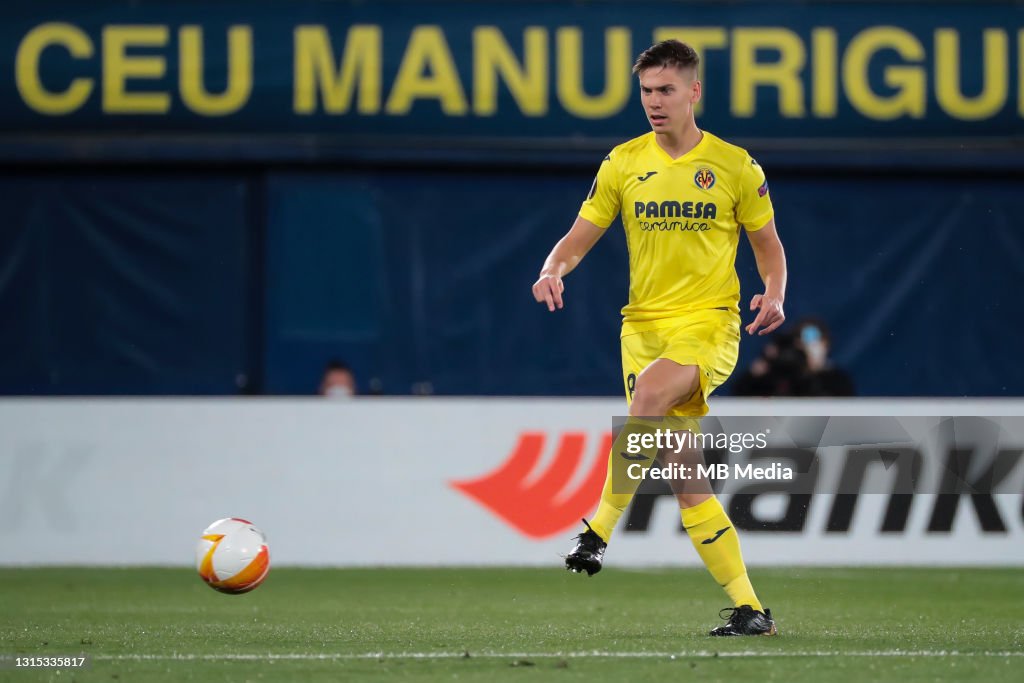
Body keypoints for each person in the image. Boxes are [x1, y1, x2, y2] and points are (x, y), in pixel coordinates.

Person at [532, 39, 787, 637]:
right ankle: (751, 608)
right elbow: (578, 237)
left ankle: (596, 530)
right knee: (684, 475)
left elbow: (768, 245)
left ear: (693, 91)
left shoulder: (734, 165)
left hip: (708, 323)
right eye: (646, 91)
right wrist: (551, 270)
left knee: (648, 397)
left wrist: (773, 292)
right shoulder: (623, 162)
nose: (654, 101)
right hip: (641, 329)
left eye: (665, 90)